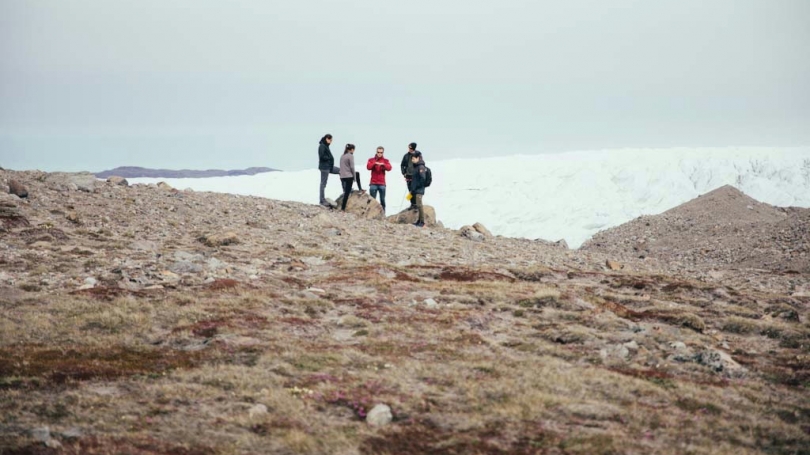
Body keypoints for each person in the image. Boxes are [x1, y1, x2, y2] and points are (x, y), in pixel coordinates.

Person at [366, 146, 392, 212]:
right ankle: (371, 212)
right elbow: (368, 167)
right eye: (378, 152)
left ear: (383, 153)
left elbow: (389, 168)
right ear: (376, 152)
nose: (379, 154)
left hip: (382, 183)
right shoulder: (371, 160)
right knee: (372, 200)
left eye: (381, 152)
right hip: (373, 183)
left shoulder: (385, 161)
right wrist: (374, 163)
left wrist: (383, 165)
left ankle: (383, 213)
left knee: (382, 200)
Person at [339, 143, 364, 211]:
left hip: (342, 176)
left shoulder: (342, 156)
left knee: (357, 174)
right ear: (352, 149)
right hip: (348, 177)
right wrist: (354, 178)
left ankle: (360, 189)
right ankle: (343, 208)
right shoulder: (350, 156)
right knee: (347, 193)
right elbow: (352, 167)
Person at [318, 134, 339, 207]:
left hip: (329, 167)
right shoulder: (322, 146)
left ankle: (346, 190)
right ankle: (322, 200)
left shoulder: (325, 146)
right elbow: (322, 156)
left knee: (341, 171)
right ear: (326, 138)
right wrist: (329, 158)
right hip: (324, 168)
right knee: (323, 184)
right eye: (330, 140)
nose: (331, 142)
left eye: (331, 140)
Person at [409, 151, 427, 227]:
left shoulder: (421, 167)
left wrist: (417, 186)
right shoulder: (416, 166)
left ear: (418, 158)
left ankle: (422, 222)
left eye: (413, 158)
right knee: (418, 204)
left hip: (419, 190)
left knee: (420, 205)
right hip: (416, 190)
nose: (412, 160)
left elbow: (423, 178)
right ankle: (419, 221)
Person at [400, 142, 418, 209]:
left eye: (411, 148)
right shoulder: (406, 156)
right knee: (410, 190)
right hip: (408, 175)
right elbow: (402, 165)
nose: (409, 149)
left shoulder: (417, 155)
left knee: (414, 190)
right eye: (409, 148)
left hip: (415, 176)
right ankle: (412, 204)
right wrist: (403, 172)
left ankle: (416, 204)